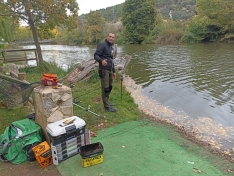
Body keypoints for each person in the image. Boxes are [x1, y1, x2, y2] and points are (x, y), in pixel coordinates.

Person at [94, 32, 117, 112]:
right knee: (105, 88)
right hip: (103, 70)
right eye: (110, 37)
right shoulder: (102, 45)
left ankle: (107, 102)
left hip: (110, 69)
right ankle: (107, 106)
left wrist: (114, 71)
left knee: (110, 87)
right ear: (107, 37)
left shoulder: (111, 47)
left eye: (113, 37)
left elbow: (111, 60)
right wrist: (101, 61)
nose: (111, 38)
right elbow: (96, 55)